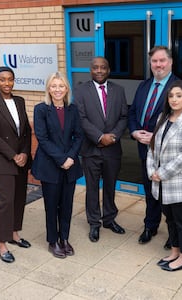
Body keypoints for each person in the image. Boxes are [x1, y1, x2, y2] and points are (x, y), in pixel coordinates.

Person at [147, 80, 182, 271]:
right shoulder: (163, 117)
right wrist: (151, 171)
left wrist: (161, 173)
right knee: (169, 219)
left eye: (179, 95)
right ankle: (175, 251)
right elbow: (152, 147)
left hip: (181, 181)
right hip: (161, 182)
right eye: (171, 96)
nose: (174, 99)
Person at [128, 45, 179, 247]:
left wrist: (155, 137)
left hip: (168, 153)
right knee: (150, 191)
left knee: (170, 195)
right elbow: (132, 113)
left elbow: (181, 121)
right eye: (154, 61)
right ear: (150, 64)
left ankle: (173, 233)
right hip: (145, 150)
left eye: (162, 60)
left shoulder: (179, 86)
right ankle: (150, 225)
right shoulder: (144, 85)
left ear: (170, 62)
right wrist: (134, 132)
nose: (158, 65)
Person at [74, 57, 128, 242]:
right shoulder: (81, 91)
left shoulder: (119, 90)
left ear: (109, 70)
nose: (99, 70)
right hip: (91, 148)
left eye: (103, 67)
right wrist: (99, 137)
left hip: (113, 149)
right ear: (91, 70)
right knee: (92, 187)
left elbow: (123, 117)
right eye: (95, 67)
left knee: (110, 186)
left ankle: (109, 219)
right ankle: (94, 223)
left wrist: (112, 136)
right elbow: (81, 118)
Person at [0, 66, 32, 263]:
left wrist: (25, 153)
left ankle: (14, 233)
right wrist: (14, 155)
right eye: (2, 79)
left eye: (10, 79)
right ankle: (2, 243)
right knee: (6, 201)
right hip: (2, 159)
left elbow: (26, 131)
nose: (7, 83)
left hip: (21, 158)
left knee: (20, 197)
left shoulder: (19, 101)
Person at [31, 72, 83, 259]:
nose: (57, 90)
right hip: (50, 165)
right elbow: (42, 138)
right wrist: (61, 159)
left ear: (66, 88)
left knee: (67, 205)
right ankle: (53, 241)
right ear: (48, 88)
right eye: (53, 86)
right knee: (52, 206)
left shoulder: (73, 109)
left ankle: (65, 238)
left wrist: (70, 157)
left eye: (61, 86)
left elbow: (79, 136)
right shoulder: (41, 109)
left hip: (70, 165)